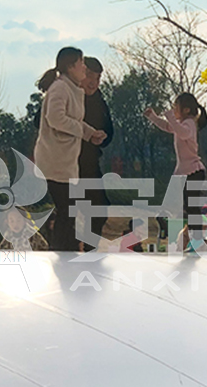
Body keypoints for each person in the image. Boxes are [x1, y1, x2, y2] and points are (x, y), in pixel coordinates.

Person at [34, 47, 107, 252]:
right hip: (54, 161)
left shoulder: (72, 88)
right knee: (68, 210)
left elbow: (73, 120)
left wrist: (91, 133)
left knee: (69, 211)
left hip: (65, 162)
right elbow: (55, 118)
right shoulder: (60, 88)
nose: (84, 67)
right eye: (81, 63)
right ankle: (61, 253)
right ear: (70, 66)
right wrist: (81, 131)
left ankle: (65, 251)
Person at [144, 93, 207, 251]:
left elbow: (183, 133)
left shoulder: (190, 124)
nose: (173, 110)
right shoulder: (182, 123)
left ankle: (197, 241)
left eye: (175, 107)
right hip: (186, 172)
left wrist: (172, 118)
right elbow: (167, 126)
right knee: (187, 206)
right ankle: (188, 236)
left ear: (186, 110)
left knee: (192, 207)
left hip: (194, 171)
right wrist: (153, 117)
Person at [78, 57, 114, 248]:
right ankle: (62, 255)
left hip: (91, 163)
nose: (93, 82)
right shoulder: (66, 92)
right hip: (67, 163)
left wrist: (101, 136)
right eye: (90, 76)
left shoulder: (99, 99)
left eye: (98, 78)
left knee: (99, 211)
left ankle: (89, 253)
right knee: (68, 213)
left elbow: (109, 131)